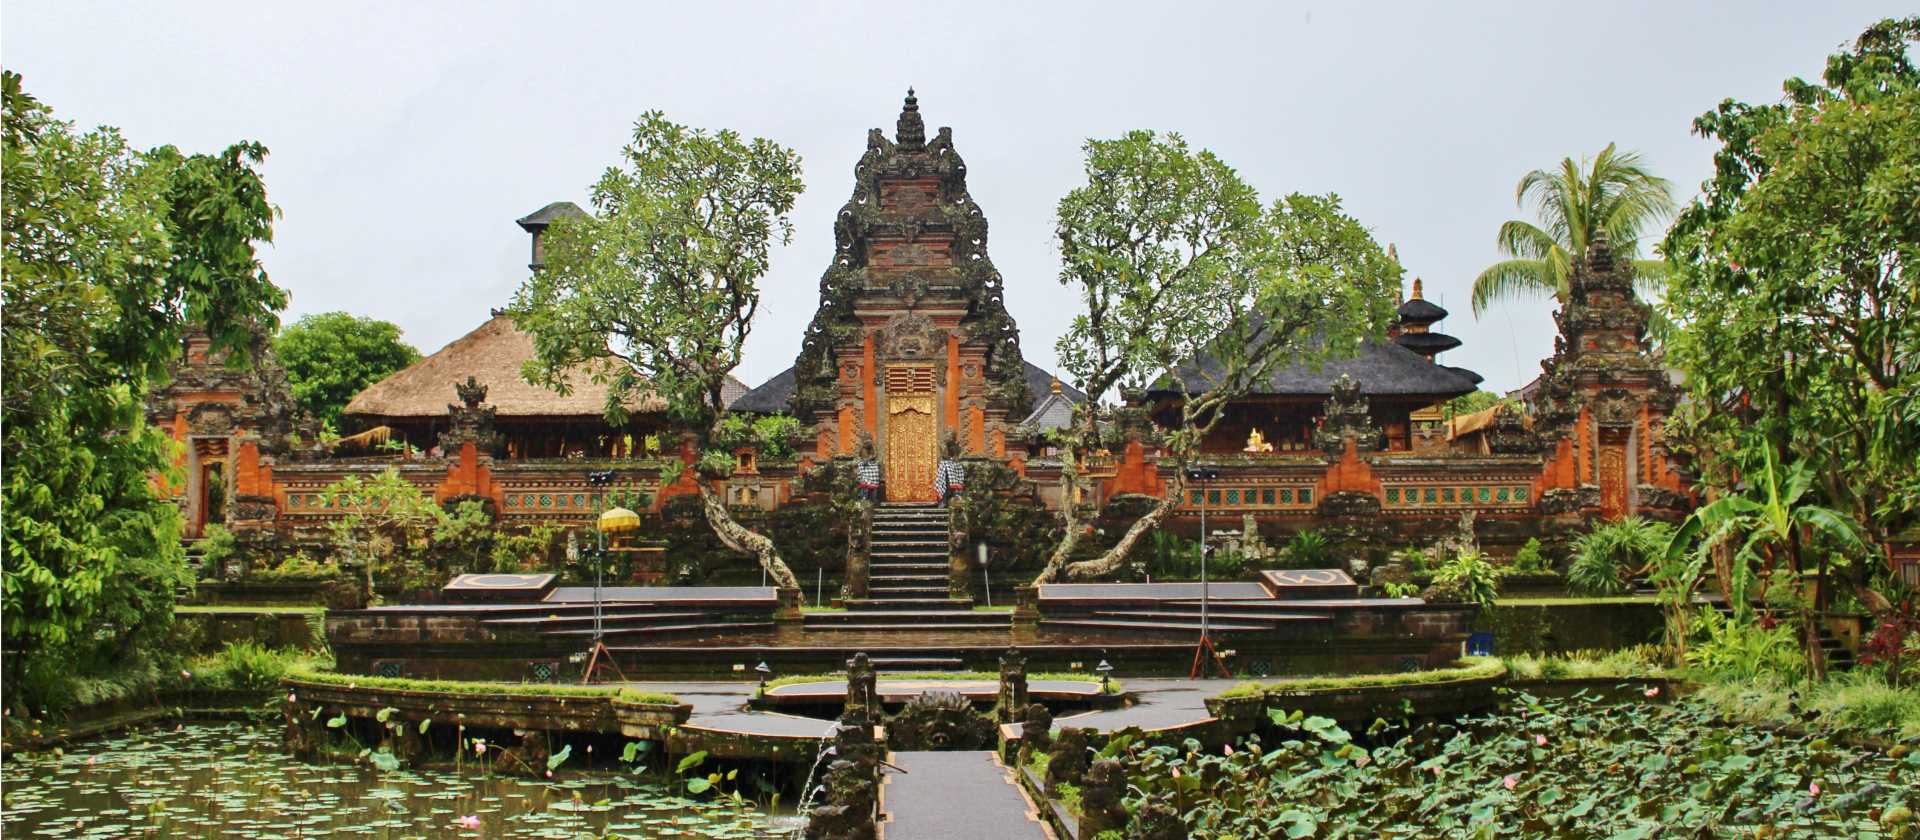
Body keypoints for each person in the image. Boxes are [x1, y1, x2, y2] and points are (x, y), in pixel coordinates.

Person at [935, 434, 965, 506]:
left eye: (949, 436)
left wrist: (956, 459)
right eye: (947, 436)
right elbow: (943, 457)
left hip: (955, 467)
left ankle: (954, 499)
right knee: (943, 483)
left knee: (954, 486)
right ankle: (943, 501)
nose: (948, 437)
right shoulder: (943, 446)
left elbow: (959, 456)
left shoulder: (957, 446)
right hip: (945, 467)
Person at [855, 433, 880, 502]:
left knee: (873, 486)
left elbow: (875, 455)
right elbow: (859, 456)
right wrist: (863, 460)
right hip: (864, 467)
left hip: (872, 467)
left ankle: (873, 499)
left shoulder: (873, 448)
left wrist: (870, 458)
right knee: (864, 485)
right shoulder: (862, 448)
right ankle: (864, 498)